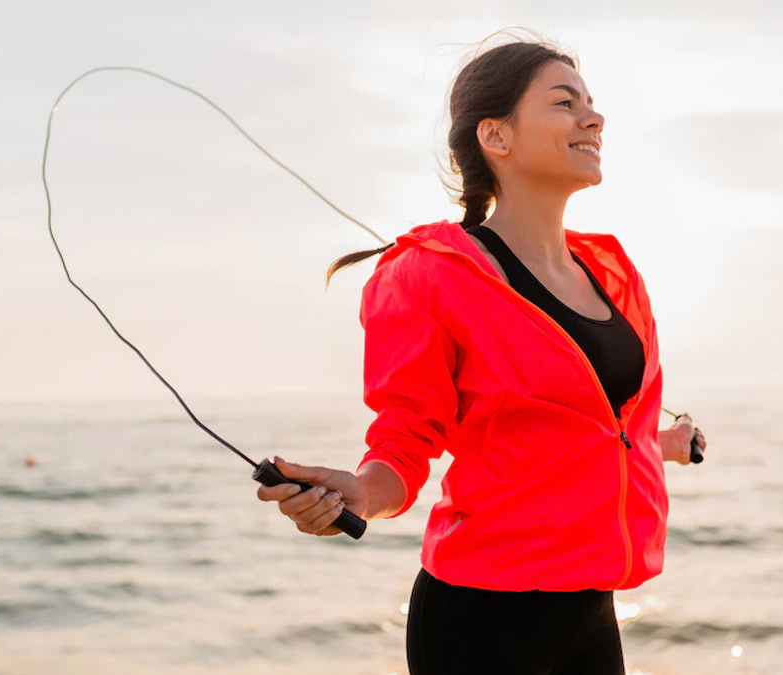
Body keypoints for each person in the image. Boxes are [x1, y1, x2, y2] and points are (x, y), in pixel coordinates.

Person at [257, 34, 708, 675]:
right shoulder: (427, 275)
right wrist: (358, 493)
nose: (593, 117)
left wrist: (661, 443)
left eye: (591, 102)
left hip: (591, 615)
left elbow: (586, 420)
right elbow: (407, 441)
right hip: (481, 622)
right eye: (563, 102)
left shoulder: (615, 274)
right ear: (495, 136)